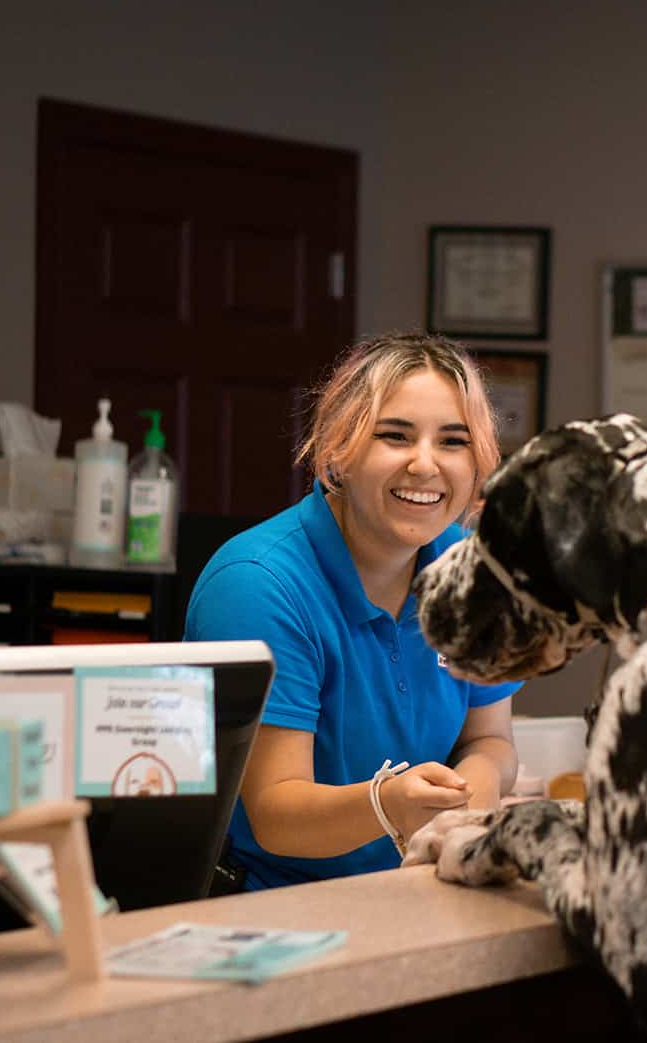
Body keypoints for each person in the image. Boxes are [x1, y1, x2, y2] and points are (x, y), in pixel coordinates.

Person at [186, 333, 521, 891]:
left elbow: (491, 741)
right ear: (337, 451)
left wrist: (471, 797)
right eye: (394, 436)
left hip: (423, 889)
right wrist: (387, 806)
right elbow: (275, 815)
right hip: (279, 907)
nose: (424, 465)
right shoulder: (258, 585)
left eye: (453, 441)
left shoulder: (475, 575)